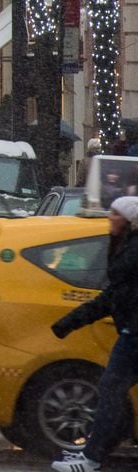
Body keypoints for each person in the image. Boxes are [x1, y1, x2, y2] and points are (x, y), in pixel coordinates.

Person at [48, 195, 138, 472]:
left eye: (115, 213)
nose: (109, 217)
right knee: (111, 391)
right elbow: (111, 298)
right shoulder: (127, 253)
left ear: (129, 220)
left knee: (111, 390)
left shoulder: (133, 254)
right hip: (132, 333)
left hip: (134, 336)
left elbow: (115, 296)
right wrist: (70, 322)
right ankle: (92, 454)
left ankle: (91, 458)